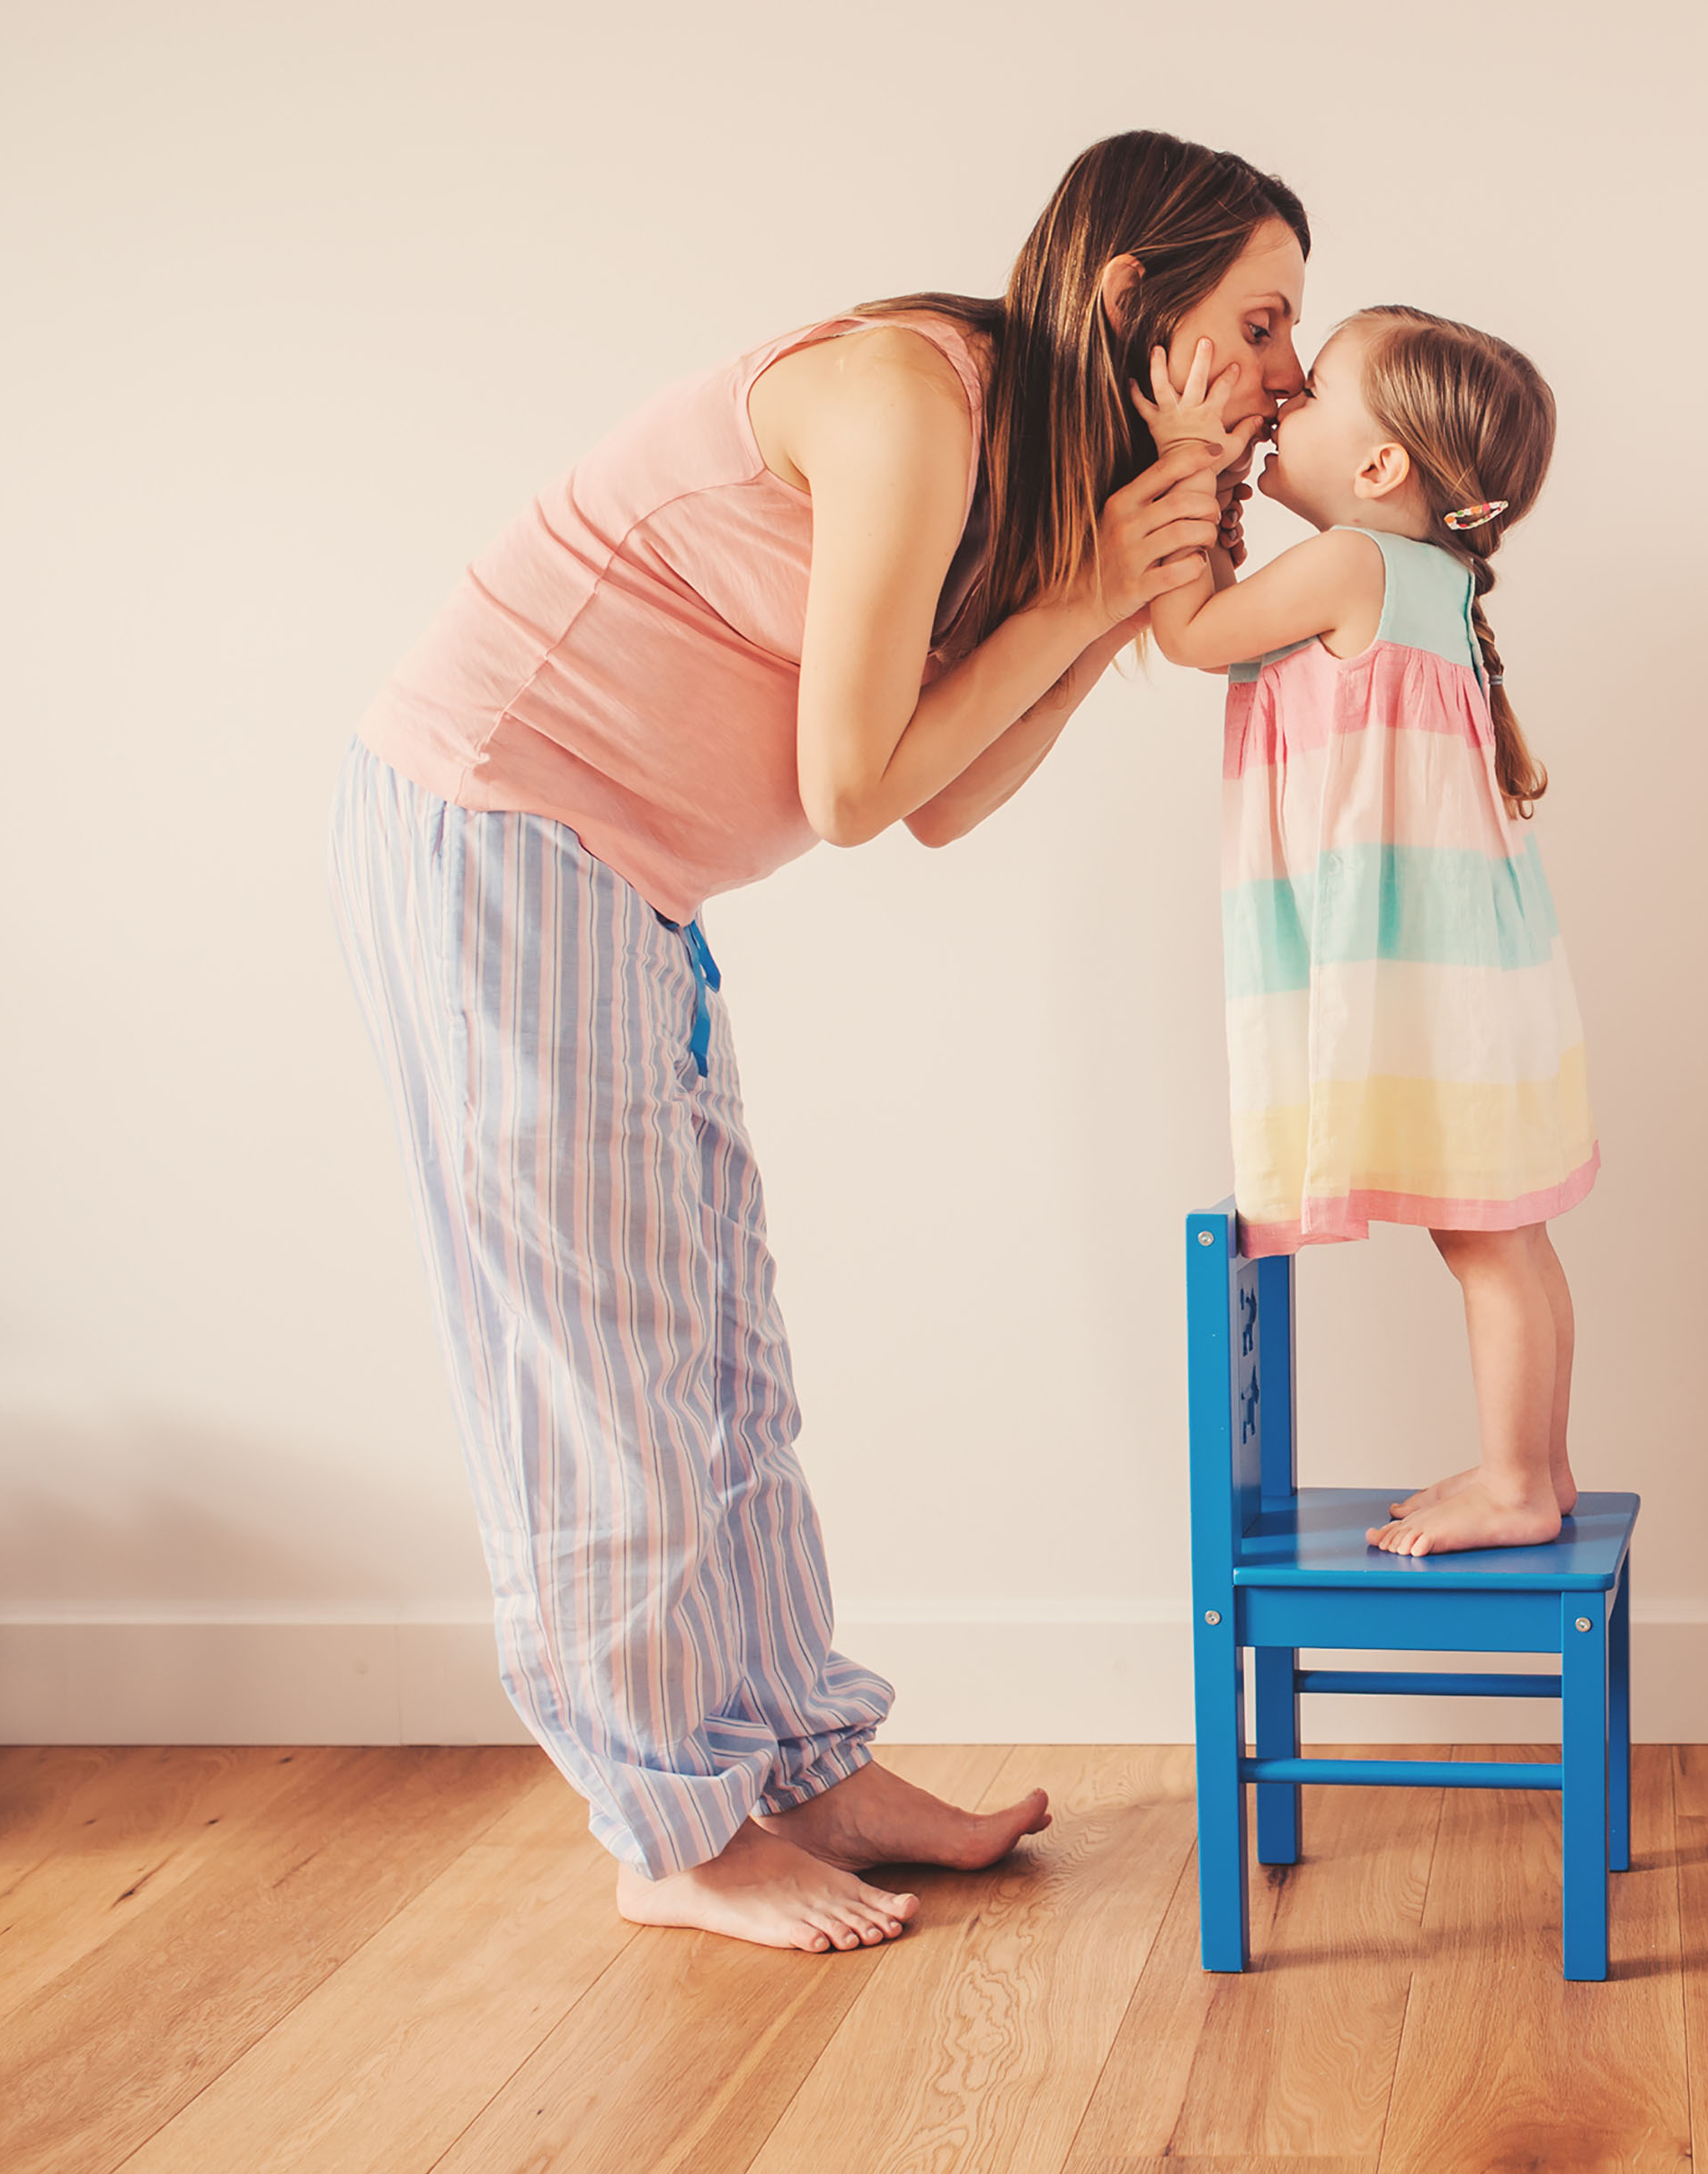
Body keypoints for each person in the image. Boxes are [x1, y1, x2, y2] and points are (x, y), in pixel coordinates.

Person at [329, 131, 1309, 1952]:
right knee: (600, 1376)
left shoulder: (1020, 464)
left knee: (719, 1352)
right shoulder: (904, 403)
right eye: (1259, 322)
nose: (1290, 377)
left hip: (622, 880)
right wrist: (1088, 598)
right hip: (503, 832)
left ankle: (796, 1766)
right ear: (1127, 302)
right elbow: (852, 787)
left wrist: (1100, 611)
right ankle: (676, 1835)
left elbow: (944, 793)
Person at [1142, 307, 1596, 1556]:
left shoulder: (1353, 562)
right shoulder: (1427, 581)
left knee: (1488, 1243)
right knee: (1507, 1236)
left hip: (1431, 972)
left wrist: (1189, 460)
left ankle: (1515, 1480)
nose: (1282, 396)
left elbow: (1188, 636)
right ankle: (1538, 1469)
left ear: (1383, 467)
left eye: (1314, 384)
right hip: (1476, 965)